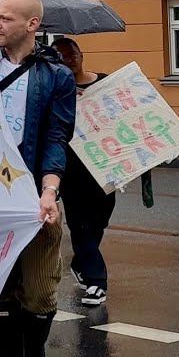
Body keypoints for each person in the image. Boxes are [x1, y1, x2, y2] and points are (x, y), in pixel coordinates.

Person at [0, 0, 75, 357]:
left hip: (34, 194)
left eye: (6, 18)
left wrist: (49, 192)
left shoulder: (56, 75)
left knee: (39, 289)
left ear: (32, 25)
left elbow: (57, 137)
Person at [51, 37, 113, 306]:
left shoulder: (105, 82)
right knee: (80, 223)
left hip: (104, 166)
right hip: (70, 167)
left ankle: (80, 261)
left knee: (99, 220)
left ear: (81, 54)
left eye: (71, 53)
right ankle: (95, 281)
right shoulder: (55, 89)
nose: (68, 59)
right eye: (61, 56)